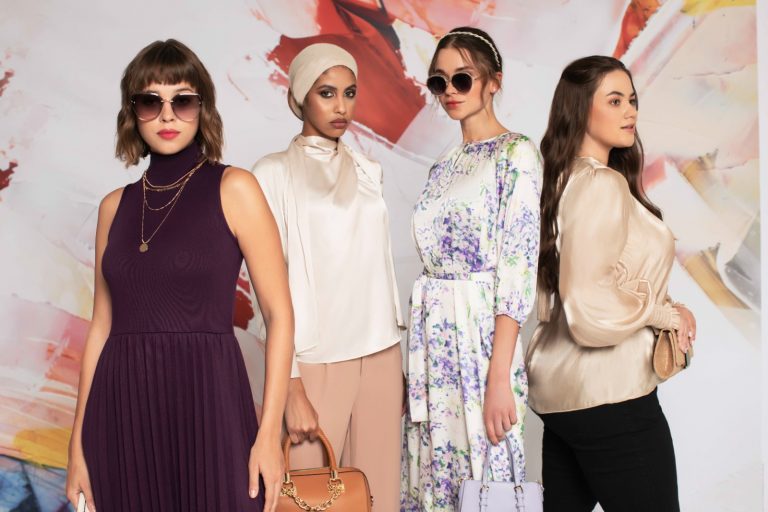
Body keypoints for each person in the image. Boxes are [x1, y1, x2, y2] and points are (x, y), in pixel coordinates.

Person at [64, 39, 294, 512]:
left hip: (211, 403)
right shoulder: (114, 207)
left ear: (202, 108)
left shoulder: (235, 187)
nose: (167, 115)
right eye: (151, 101)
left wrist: (269, 433)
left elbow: (280, 315)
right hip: (122, 411)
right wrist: (77, 445)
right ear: (133, 113)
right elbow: (101, 328)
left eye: (183, 100)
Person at [527, 55, 697, 511]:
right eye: (615, 101)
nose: (630, 112)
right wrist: (665, 314)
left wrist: (669, 305)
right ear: (580, 108)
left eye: (632, 100)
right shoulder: (601, 184)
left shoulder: (560, 179)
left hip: (563, 399)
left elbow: (590, 279)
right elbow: (589, 302)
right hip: (611, 393)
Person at [251, 43, 404, 511]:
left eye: (349, 93)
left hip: (380, 353)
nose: (341, 106)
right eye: (327, 93)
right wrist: (290, 383)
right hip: (313, 358)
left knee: (377, 496)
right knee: (311, 498)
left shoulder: (369, 170)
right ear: (301, 96)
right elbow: (266, 286)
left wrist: (395, 362)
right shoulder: (271, 173)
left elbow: (375, 264)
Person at [400, 27, 542, 511]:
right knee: (436, 479)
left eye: (462, 79)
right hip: (434, 341)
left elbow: (517, 267)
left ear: (493, 81)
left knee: (489, 482)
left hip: (482, 341)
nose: (449, 92)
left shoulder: (516, 153)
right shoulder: (443, 164)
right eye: (438, 82)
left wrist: (499, 377)